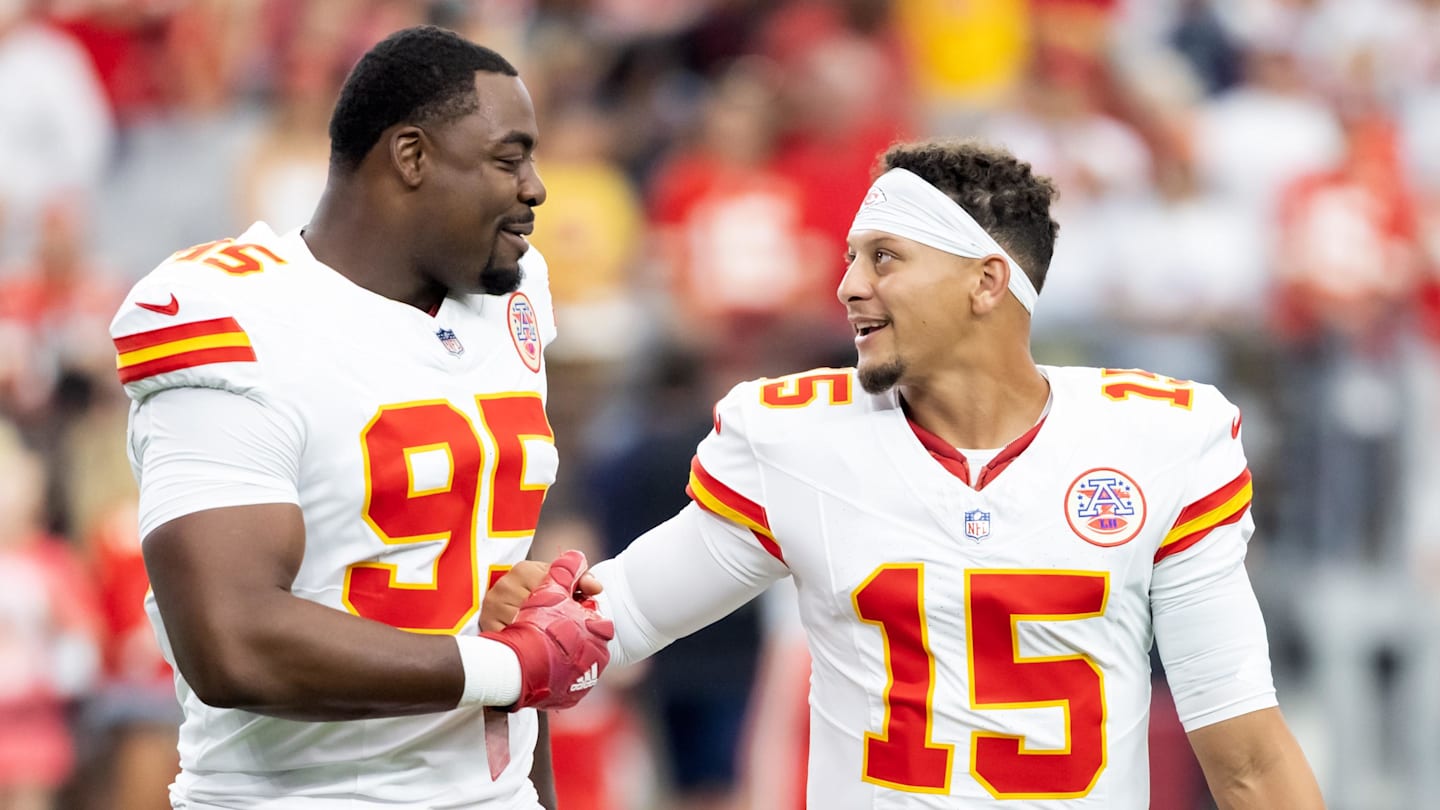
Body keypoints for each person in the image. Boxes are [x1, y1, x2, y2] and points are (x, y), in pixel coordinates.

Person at [487, 137, 1326, 808]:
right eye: (853, 256)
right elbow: (611, 623)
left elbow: (1248, 760)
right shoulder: (797, 439)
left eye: (884, 257)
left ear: (987, 282)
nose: (848, 286)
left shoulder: (1158, 441)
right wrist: (538, 612)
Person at [110, 26, 613, 809]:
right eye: (508, 159)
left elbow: (506, 599)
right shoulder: (238, 314)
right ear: (411, 156)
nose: (537, 187)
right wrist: (512, 667)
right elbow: (231, 642)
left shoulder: (511, 291)